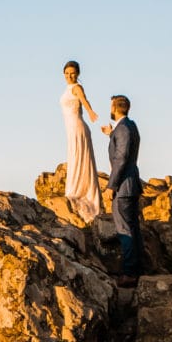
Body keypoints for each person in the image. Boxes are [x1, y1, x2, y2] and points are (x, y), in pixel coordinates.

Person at [102, 94, 142, 286]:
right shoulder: (129, 126)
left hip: (124, 186)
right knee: (133, 227)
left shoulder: (123, 129)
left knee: (124, 229)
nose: (110, 109)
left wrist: (111, 186)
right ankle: (137, 269)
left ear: (115, 108)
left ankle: (129, 273)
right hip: (132, 184)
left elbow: (121, 158)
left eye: (111, 106)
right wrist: (111, 134)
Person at [60, 60, 102, 222]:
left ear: (77, 74)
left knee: (80, 159)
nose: (69, 76)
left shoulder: (77, 87)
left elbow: (84, 100)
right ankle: (75, 190)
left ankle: (81, 194)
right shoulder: (67, 88)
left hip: (77, 126)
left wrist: (91, 111)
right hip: (70, 128)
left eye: (72, 73)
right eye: (67, 73)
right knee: (74, 158)